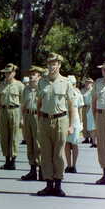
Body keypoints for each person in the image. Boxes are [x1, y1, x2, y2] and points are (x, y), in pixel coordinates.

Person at [35, 54, 78, 197]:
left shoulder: (66, 82)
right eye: (49, 64)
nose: (51, 66)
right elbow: (39, 103)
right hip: (45, 120)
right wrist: (39, 121)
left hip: (61, 121)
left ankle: (58, 184)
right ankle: (48, 184)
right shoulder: (42, 82)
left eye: (54, 64)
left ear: (59, 65)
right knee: (46, 153)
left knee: (58, 154)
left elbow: (72, 106)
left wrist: (71, 125)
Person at [0, 64, 25, 170]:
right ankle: (7, 160)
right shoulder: (1, 85)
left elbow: (23, 102)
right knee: (4, 136)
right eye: (5, 73)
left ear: (14, 73)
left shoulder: (19, 85)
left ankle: (13, 160)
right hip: (3, 111)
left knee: (14, 136)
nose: (7, 74)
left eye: (9, 72)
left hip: (15, 111)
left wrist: (22, 118)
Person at [20, 66, 45, 181]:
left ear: (39, 76)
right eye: (30, 74)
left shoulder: (43, 88)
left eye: (34, 74)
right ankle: (32, 170)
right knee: (29, 143)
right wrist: (21, 118)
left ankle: (42, 171)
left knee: (38, 143)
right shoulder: (26, 89)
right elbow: (23, 105)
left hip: (38, 116)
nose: (31, 76)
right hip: (28, 116)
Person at [64, 75, 84, 173]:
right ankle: (68, 165)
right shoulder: (64, 93)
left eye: (72, 83)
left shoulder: (78, 94)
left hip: (75, 119)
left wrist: (81, 122)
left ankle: (74, 165)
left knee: (74, 143)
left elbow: (80, 109)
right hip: (65, 117)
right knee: (67, 143)